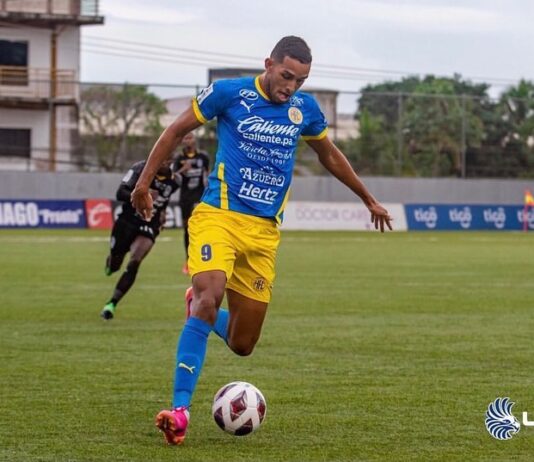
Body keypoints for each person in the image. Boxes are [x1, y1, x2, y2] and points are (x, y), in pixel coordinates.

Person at [131, 35, 393, 445]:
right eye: (286, 76)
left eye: (300, 81)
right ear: (269, 64)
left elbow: (328, 154)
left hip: (264, 233)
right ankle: (179, 412)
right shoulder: (229, 93)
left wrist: (368, 198)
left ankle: (199, 308)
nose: (291, 86)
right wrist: (144, 183)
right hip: (218, 216)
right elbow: (176, 129)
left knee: (243, 343)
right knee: (209, 296)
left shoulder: (304, 109)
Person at [100, 156, 180, 320]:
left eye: (168, 159)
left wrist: (162, 213)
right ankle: (111, 264)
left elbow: (164, 199)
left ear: (171, 160)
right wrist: (142, 194)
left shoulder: (175, 180)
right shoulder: (140, 169)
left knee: (135, 261)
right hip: (127, 221)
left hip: (150, 223)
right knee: (115, 264)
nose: (164, 161)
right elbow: (120, 193)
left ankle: (111, 304)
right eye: (162, 157)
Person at [172, 132, 210, 275]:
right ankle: (188, 260)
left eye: (190, 138)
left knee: (198, 227)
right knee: (187, 230)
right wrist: (183, 169)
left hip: (198, 197)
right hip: (185, 197)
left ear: (194, 140)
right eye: (185, 138)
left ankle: (201, 258)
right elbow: (173, 177)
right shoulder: (179, 158)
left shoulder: (203, 157)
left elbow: (208, 174)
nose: (188, 141)